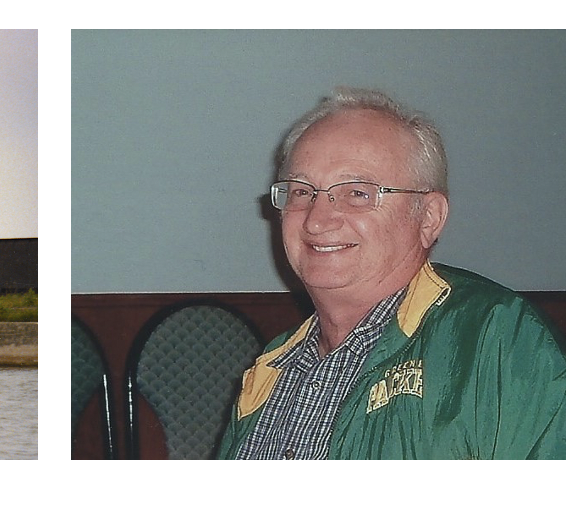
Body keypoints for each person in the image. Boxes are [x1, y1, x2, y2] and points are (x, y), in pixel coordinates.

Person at [217, 87, 566, 459]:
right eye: (302, 192)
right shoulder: (270, 368)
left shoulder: (497, 340)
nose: (317, 220)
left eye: (357, 193)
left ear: (428, 218)